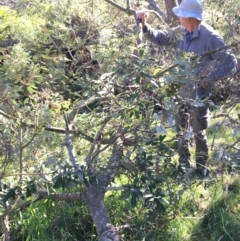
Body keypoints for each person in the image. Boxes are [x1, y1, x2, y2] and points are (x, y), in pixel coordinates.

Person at [136, 0, 237, 178]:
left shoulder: (210, 36)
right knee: (180, 128)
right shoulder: (181, 31)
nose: (178, 17)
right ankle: (183, 165)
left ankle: (201, 169)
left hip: (200, 94)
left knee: (199, 131)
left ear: (190, 18)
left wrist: (209, 78)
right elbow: (161, 38)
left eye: (181, 14)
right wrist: (144, 24)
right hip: (179, 90)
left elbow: (230, 62)